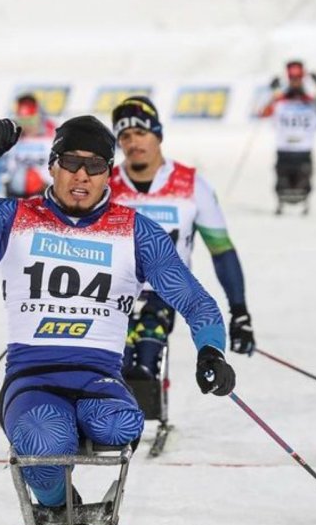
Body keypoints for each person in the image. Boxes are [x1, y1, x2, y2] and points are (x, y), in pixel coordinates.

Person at [0, 115, 236, 525]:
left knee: (123, 426)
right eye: (71, 162)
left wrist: (212, 351)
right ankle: (56, 499)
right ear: (53, 165)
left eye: (96, 166)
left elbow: (195, 301)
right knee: (45, 436)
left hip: (98, 378)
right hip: (33, 377)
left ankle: (63, 446)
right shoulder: (15, 217)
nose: (82, 176)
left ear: (111, 171)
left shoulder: (135, 231)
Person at [109, 95, 255, 386]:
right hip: (114, 290)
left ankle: (145, 387)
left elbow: (222, 250)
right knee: (113, 355)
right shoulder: (106, 185)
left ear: (157, 135)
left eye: (141, 133)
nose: (133, 143)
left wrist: (239, 312)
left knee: (149, 340)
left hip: (166, 292)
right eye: (125, 136)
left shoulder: (191, 186)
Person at [259, 60, 316, 215]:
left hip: (303, 150)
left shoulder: (310, 101)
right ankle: (280, 202)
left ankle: (305, 202)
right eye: (292, 79)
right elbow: (263, 112)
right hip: (284, 149)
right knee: (282, 179)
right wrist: (272, 91)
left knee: (304, 179)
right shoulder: (280, 100)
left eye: (298, 78)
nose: (295, 82)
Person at [0, 93, 57, 198]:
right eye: (22, 120)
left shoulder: (53, 136)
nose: (27, 125)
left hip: (45, 192)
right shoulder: (13, 137)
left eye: (30, 120)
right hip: (17, 192)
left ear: (39, 116)